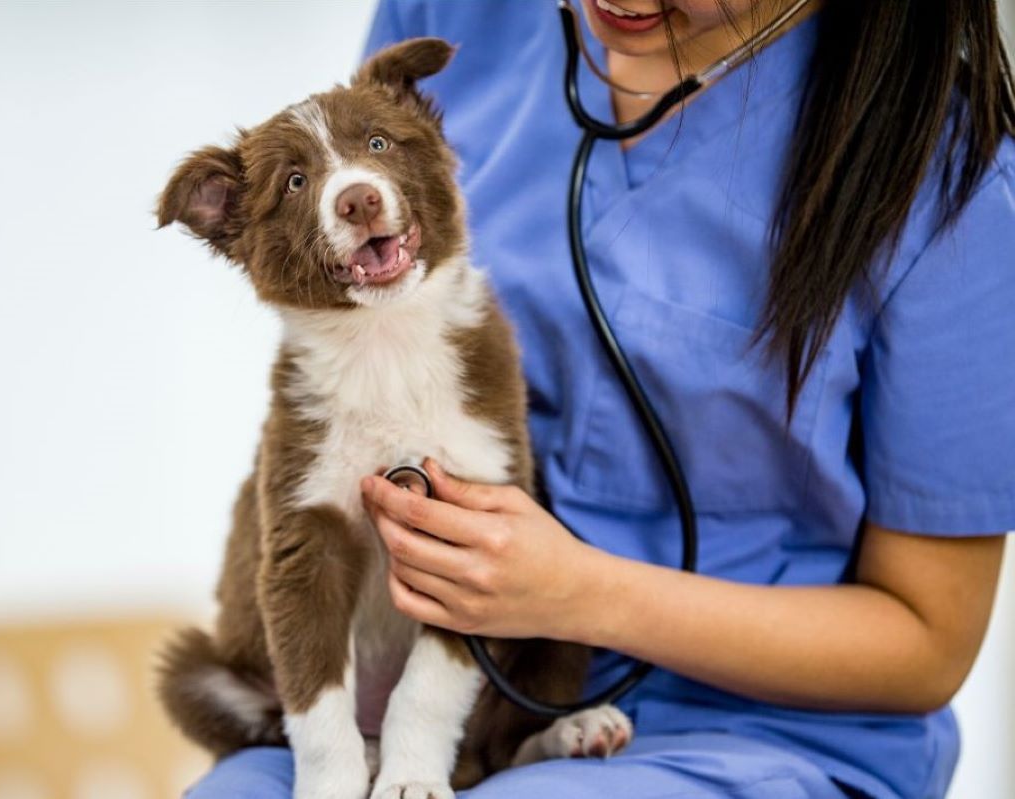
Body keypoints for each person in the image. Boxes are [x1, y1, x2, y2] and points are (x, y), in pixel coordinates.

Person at [186, 1, 1015, 797]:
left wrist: (581, 593)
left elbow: (927, 640)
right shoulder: (450, 16)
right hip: (434, 687)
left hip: (755, 730)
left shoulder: (947, 180)